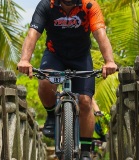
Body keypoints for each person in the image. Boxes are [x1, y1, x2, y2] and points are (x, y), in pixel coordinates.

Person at [17, 0, 117, 159]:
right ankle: (51, 115)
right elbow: (33, 33)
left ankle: (85, 151)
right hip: (54, 55)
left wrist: (109, 61)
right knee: (44, 82)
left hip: (81, 57)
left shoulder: (89, 5)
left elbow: (100, 33)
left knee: (85, 101)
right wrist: (24, 59)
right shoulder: (46, 5)